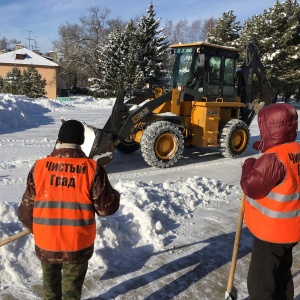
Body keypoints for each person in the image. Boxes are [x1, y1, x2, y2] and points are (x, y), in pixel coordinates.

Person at [18, 119, 120, 300]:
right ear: (81, 141)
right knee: (71, 292)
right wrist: (115, 195)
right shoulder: (92, 169)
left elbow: (26, 209)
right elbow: (105, 209)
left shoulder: (39, 168)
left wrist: (35, 227)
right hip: (77, 244)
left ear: (59, 140)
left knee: (50, 290)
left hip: (46, 243)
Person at [240, 103, 299, 300]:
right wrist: (264, 149)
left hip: (273, 232)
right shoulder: (295, 150)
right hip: (292, 230)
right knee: (282, 272)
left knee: (260, 282)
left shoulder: (274, 159)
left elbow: (251, 186)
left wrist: (249, 164)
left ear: (270, 128)